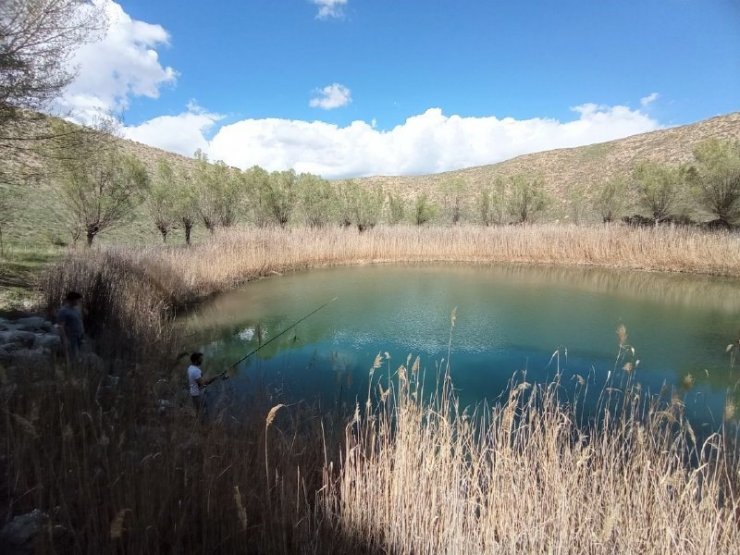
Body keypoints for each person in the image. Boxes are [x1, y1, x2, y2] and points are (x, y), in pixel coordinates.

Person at [57, 291, 84, 361]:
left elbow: (79, 321)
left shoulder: (76, 309)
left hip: (78, 336)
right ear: (72, 300)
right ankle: (70, 369)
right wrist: (65, 339)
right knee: (72, 356)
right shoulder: (63, 311)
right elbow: (61, 326)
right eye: (77, 299)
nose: (78, 301)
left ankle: (75, 368)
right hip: (70, 337)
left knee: (78, 355)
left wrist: (82, 333)